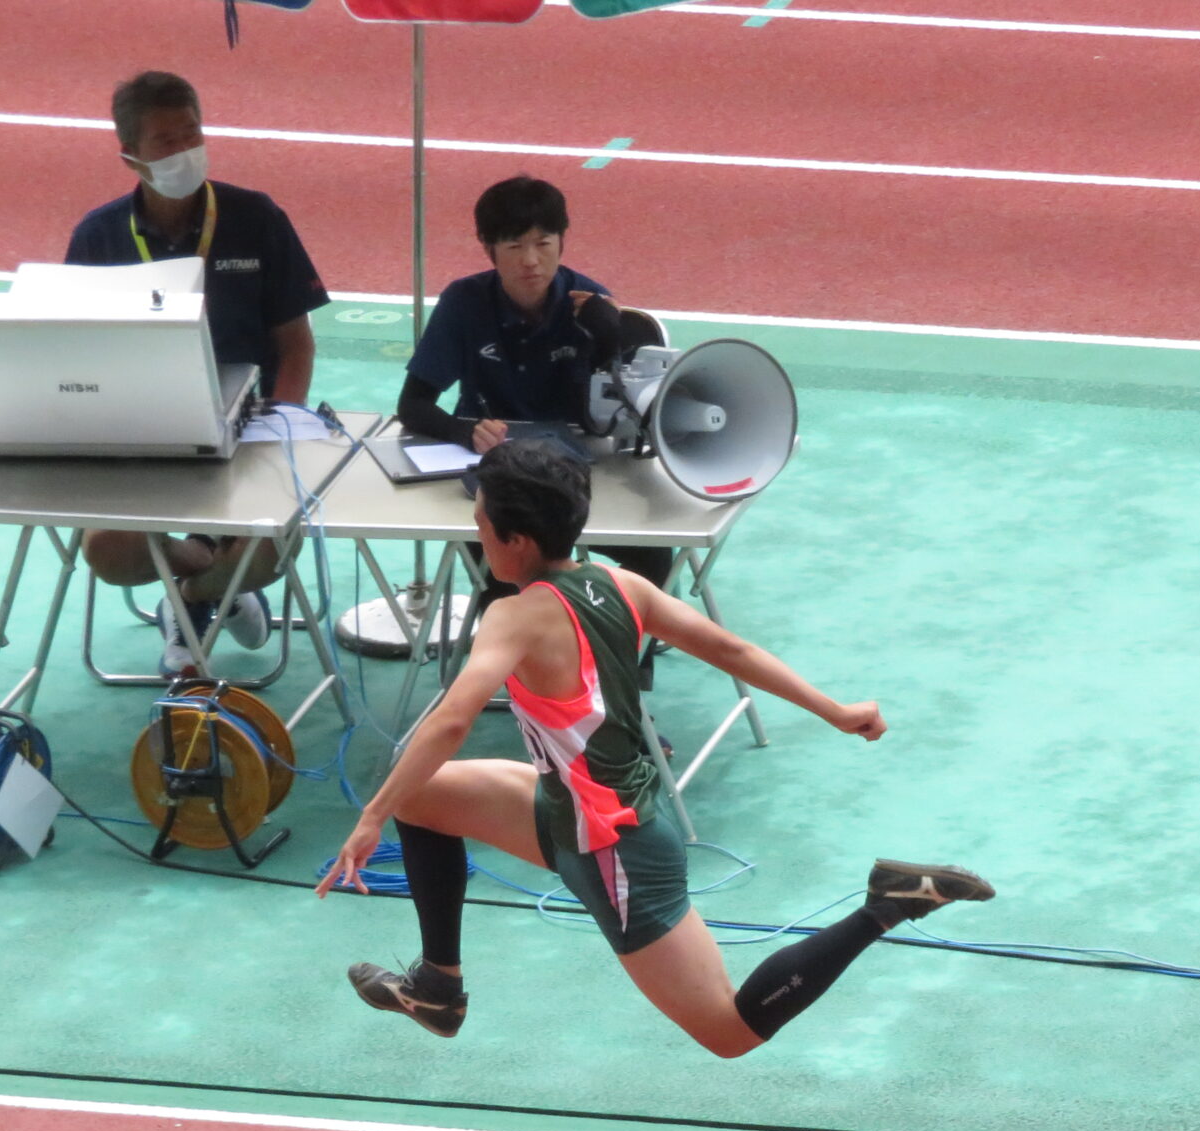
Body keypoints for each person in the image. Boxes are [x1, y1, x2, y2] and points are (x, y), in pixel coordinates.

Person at [318, 439, 992, 1052]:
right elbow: (731, 649)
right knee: (423, 797)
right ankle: (439, 988)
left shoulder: (514, 617)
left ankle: (887, 905)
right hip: (571, 809)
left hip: (615, 849)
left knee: (729, 1031)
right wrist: (835, 711)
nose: (477, 533)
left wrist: (370, 816)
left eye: (480, 523)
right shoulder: (622, 584)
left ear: (515, 540)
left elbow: (450, 722)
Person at [64, 71, 330, 676]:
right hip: (138, 434)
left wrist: (282, 426)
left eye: (192, 133)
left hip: (248, 428)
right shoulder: (97, 237)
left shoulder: (257, 217)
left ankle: (190, 600)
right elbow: (74, 357)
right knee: (107, 552)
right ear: (131, 156)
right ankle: (211, 575)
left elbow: (296, 346)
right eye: (166, 141)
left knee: (269, 548)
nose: (185, 150)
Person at [397, 175, 672, 590]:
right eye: (514, 246)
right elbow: (412, 404)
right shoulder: (464, 303)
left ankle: (618, 632)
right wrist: (465, 431)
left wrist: (609, 337)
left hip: (583, 471)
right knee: (502, 585)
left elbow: (631, 414)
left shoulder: (592, 303)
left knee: (653, 555)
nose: (530, 260)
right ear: (489, 248)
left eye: (543, 243)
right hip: (497, 477)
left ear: (562, 242)